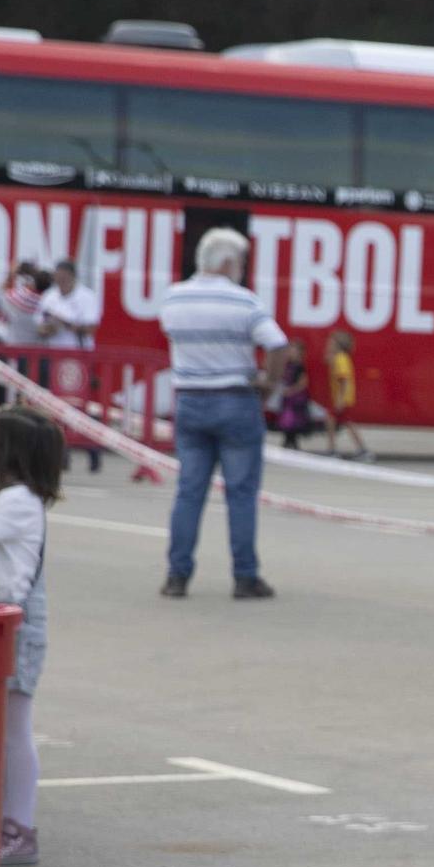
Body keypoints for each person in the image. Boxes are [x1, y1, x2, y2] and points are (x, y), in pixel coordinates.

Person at [156, 227, 289, 600]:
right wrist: (269, 384)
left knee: (189, 492)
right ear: (228, 262)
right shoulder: (244, 302)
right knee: (241, 494)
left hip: (190, 403)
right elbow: (277, 345)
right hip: (235, 400)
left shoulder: (173, 299)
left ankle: (177, 576)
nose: (243, 270)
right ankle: (245, 577)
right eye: (241, 262)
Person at [0, 409, 63, 866]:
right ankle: (9, 823)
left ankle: (19, 828)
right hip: (13, 625)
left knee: (15, 730)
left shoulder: (18, 501)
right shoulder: (19, 500)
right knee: (8, 729)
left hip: (18, 630)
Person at [321, 328, 372, 460]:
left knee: (335, 422)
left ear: (338, 344)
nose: (328, 344)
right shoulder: (340, 358)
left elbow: (343, 380)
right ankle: (360, 449)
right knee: (343, 423)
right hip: (343, 398)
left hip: (341, 398)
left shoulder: (340, 359)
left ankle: (334, 449)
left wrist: (339, 400)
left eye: (331, 342)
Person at [39, 258, 101, 350]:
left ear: (73, 276)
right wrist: (50, 329)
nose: (61, 280)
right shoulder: (48, 296)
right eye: (58, 277)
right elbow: (40, 328)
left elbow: (90, 329)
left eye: (64, 277)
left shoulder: (87, 297)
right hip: (52, 351)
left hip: (78, 351)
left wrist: (63, 323)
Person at [276, 339, 313, 449]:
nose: (289, 353)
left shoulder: (299, 366)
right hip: (288, 397)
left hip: (296, 398)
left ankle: (292, 440)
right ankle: (288, 439)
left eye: (292, 351)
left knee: (293, 419)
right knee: (286, 419)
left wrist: (292, 390)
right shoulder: (288, 365)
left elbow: (303, 382)